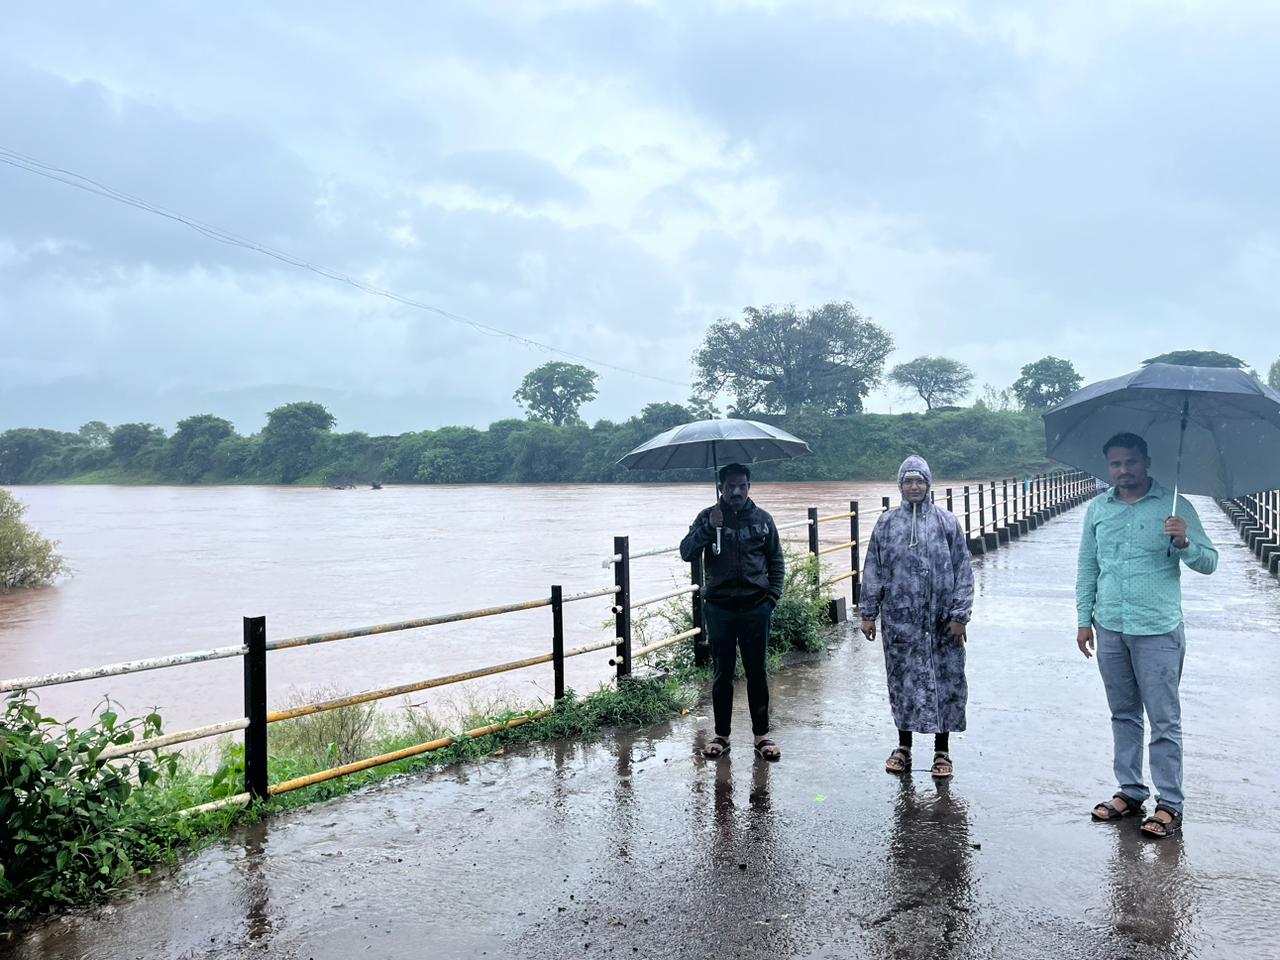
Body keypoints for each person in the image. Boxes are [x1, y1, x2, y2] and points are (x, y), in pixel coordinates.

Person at [1076, 431, 1217, 839]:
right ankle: (1131, 790)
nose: (1124, 470)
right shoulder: (1098, 509)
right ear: (1109, 467)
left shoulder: (1174, 506)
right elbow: (1088, 567)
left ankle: (1170, 803)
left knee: (1164, 721)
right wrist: (1084, 620)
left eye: (1131, 462)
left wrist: (1185, 541)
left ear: (1147, 462)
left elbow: (1209, 563)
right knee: (1123, 714)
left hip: (1158, 629)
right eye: (1116, 463)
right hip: (1110, 627)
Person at [859, 456, 974, 778]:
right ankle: (904, 747)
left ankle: (942, 751)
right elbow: (873, 569)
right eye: (908, 481)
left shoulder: (947, 522)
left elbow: (964, 570)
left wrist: (960, 614)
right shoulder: (886, 523)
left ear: (929, 484)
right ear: (900, 485)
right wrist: (868, 613)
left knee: (946, 682)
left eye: (919, 481)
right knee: (903, 683)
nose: (914, 486)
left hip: (941, 623)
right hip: (900, 623)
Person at [680, 463, 785, 761]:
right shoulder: (707, 517)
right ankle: (721, 736)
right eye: (730, 487)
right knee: (722, 674)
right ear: (720, 488)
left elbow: (776, 561)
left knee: (757, 673)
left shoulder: (763, 520)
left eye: (741, 486)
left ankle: (761, 735)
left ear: (749, 486)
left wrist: (772, 598)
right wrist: (707, 528)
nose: (736, 492)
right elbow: (687, 551)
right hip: (719, 609)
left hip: (756, 607)